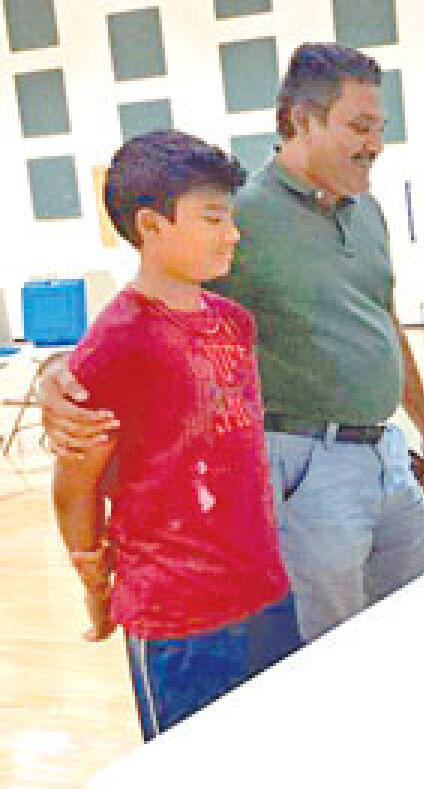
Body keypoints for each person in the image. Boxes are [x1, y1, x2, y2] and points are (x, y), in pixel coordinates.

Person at [40, 43, 424, 667]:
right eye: (359, 127)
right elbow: (152, 309)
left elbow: (384, 321)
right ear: (300, 121)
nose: (375, 144)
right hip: (307, 466)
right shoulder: (243, 216)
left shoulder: (369, 213)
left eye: (380, 129)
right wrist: (55, 376)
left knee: (411, 631)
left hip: (388, 457)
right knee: (330, 659)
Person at [50, 130, 289, 740]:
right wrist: (92, 577)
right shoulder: (118, 341)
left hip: (262, 590)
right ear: (152, 226)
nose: (231, 233)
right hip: (178, 614)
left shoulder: (234, 323)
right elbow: (76, 484)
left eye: (229, 217)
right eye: (212, 218)